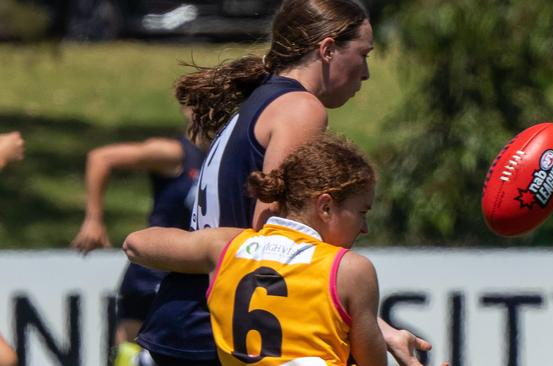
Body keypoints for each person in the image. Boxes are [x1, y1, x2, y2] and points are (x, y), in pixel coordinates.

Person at [137, 0, 431, 365]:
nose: (366, 72)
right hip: (221, 329)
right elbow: (271, 236)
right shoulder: (300, 109)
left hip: (192, 321)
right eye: (364, 54)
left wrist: (374, 325)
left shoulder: (263, 100)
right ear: (327, 50)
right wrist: (364, 321)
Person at [125, 134, 388, 365]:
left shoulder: (227, 248)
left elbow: (135, 244)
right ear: (326, 206)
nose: (364, 227)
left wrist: (246, 240)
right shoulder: (351, 269)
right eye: (361, 212)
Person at [70, 111, 205, 366]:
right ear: (189, 111)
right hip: (156, 270)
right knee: (129, 353)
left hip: (199, 270)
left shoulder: (230, 152)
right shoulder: (174, 152)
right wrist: (93, 219)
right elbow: (101, 158)